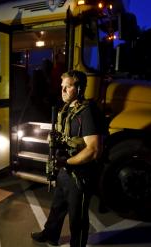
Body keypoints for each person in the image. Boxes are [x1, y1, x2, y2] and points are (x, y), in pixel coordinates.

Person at [31, 70, 104, 247]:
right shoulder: (66, 109)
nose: (63, 91)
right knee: (57, 207)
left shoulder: (87, 112)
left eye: (68, 87)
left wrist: (66, 162)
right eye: (62, 87)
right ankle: (50, 234)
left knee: (77, 218)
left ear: (79, 89)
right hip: (66, 169)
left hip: (81, 174)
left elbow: (94, 150)